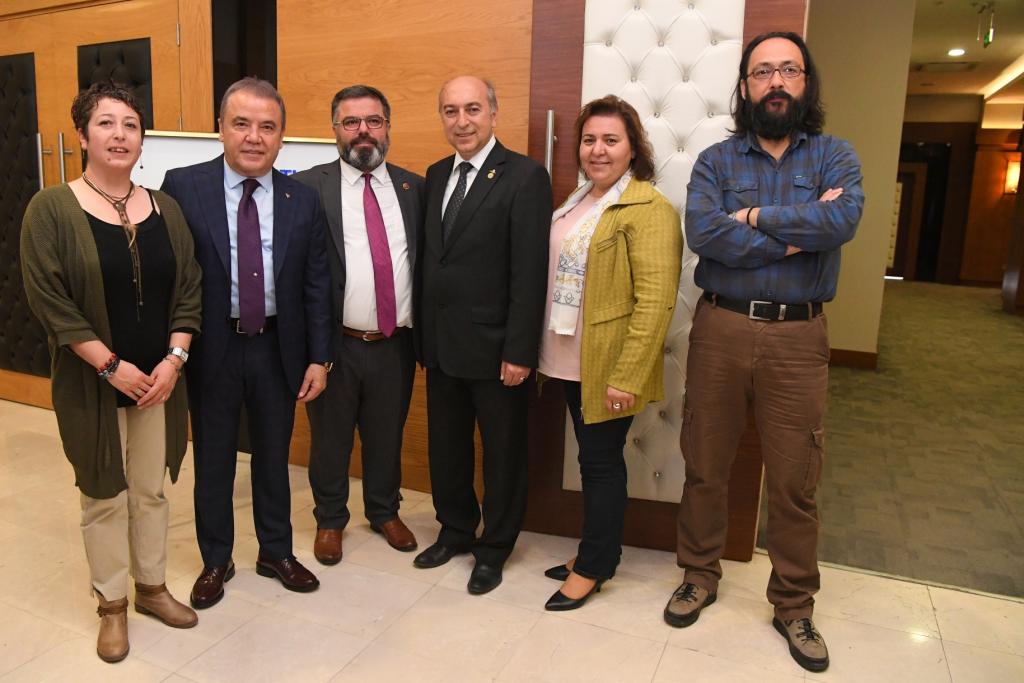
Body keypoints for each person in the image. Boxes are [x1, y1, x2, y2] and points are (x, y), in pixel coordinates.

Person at [665, 32, 864, 673]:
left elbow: (841, 222)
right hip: (720, 329)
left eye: (788, 70)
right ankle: (698, 574)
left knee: (795, 480)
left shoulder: (836, 156)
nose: (776, 81)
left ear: (806, 82)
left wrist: (750, 218)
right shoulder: (716, 162)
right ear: (746, 86)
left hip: (799, 338)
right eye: (762, 71)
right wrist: (797, 231)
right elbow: (705, 234)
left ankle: (794, 605)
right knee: (705, 463)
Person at [20, 82, 202, 662]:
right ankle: (112, 604)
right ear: (82, 135)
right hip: (94, 383)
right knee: (104, 495)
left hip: (158, 385)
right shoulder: (51, 208)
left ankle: (151, 587)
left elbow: (189, 288)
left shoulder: (166, 208)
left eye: (130, 124)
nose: (119, 135)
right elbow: (50, 301)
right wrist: (111, 366)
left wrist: (173, 361)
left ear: (141, 137)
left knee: (150, 491)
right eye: (105, 123)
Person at [161, 77, 332, 608]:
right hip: (212, 347)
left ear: (281, 136)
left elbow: (317, 283)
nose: (254, 137)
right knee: (213, 458)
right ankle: (217, 559)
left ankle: (275, 552)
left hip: (278, 348)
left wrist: (320, 357)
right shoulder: (182, 187)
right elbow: (171, 275)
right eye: (241, 124)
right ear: (220, 128)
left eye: (267, 127)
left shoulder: (303, 199)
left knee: (274, 457)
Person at [538, 96, 682, 611]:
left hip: (606, 366)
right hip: (565, 358)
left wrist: (627, 375)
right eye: (589, 140)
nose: (597, 150)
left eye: (610, 140)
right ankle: (598, 553)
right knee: (591, 460)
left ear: (633, 148)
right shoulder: (578, 200)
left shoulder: (650, 209)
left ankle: (594, 567)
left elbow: (656, 302)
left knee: (600, 465)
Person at [414, 75, 552, 595]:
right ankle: (454, 530)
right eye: (450, 111)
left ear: (494, 113)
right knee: (447, 449)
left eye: (472, 109)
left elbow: (528, 272)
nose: (462, 121)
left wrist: (520, 350)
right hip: (442, 345)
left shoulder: (525, 177)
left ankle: (494, 548)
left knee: (502, 455)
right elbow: (434, 260)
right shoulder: (435, 174)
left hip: (498, 351)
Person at [294, 84, 425, 564]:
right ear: (335, 129)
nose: (363, 131)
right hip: (335, 344)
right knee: (330, 440)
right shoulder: (307, 188)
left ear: (388, 127)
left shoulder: (415, 189)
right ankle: (330, 519)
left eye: (373, 121)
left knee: (387, 434)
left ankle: (384, 511)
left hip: (395, 342)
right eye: (351, 122)